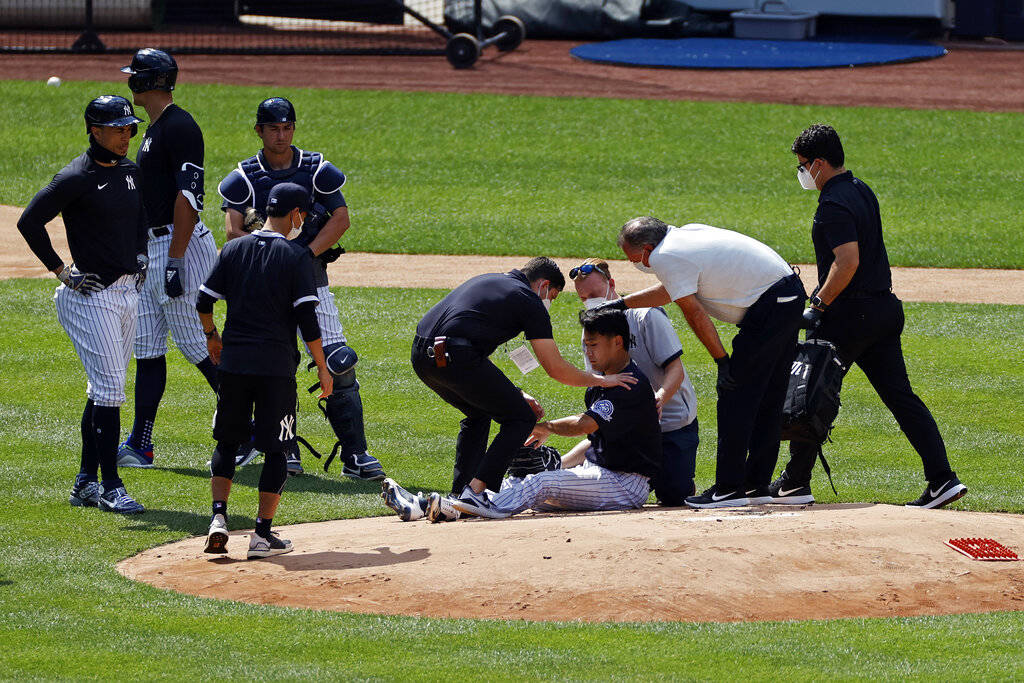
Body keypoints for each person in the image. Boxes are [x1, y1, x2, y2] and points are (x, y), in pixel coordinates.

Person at [774, 124, 966, 509]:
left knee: (810, 390)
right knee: (901, 398)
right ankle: (942, 478)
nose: (802, 172)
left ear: (821, 163)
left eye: (804, 165)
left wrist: (818, 305)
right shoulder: (861, 189)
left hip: (849, 315)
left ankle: (795, 482)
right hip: (883, 309)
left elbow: (847, 262)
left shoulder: (832, 203)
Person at [383, 257, 637, 520]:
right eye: (552, 296)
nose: (549, 302)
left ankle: (458, 499)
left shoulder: (488, 280)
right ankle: (476, 492)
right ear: (544, 285)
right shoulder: (528, 299)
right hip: (457, 355)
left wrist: (515, 392)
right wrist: (601, 380)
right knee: (521, 418)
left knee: (479, 414)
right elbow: (555, 368)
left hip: (422, 358)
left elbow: (468, 340)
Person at [217, 97, 384, 480]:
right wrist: (275, 256)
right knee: (279, 365)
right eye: (273, 127)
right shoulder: (244, 177)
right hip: (263, 288)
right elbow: (232, 231)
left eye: (287, 127)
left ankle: (356, 455)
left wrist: (302, 254)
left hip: (311, 277)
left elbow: (340, 218)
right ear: (259, 130)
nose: (281, 134)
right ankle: (283, 447)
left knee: (339, 361)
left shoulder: (315, 169)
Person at [609, 216, 806, 509]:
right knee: (769, 398)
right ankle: (756, 484)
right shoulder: (681, 237)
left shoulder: (665, 256)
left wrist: (722, 360)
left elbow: (694, 313)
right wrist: (620, 305)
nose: (636, 264)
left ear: (647, 248)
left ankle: (728, 488)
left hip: (769, 308)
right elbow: (673, 290)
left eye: (634, 258)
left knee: (734, 397)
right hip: (789, 295)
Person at [17, 95, 148, 514]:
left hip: (128, 293)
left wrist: (142, 254)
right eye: (117, 129)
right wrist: (62, 270)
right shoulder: (75, 176)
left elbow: (140, 217)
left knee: (101, 391)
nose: (125, 135)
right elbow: (29, 222)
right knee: (110, 391)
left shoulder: (130, 172)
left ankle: (85, 483)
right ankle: (111, 485)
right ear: (94, 130)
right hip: (90, 297)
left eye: (129, 128)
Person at [198, 183, 333, 559]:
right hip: (275, 369)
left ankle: (219, 519)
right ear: (294, 214)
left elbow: (203, 300)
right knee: (277, 450)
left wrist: (212, 336)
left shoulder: (235, 248)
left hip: (235, 365)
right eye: (302, 215)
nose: (303, 221)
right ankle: (261, 536)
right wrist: (323, 369)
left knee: (227, 442)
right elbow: (308, 320)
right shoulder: (295, 256)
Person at [116, 48, 222, 468]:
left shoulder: (180, 126)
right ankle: (141, 443)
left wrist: (176, 259)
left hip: (179, 245)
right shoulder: (155, 128)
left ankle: (253, 429)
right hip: (155, 248)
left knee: (198, 344)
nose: (129, 81)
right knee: (146, 348)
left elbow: (188, 197)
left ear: (147, 82)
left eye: (134, 76)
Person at [568, 258, 698, 505]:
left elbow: (676, 370)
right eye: (584, 298)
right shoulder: (592, 333)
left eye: (595, 294)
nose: (591, 302)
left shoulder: (645, 316)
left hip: (671, 421)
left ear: (612, 285)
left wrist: (658, 399)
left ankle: (679, 482)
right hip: (629, 425)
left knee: (674, 494)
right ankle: (560, 467)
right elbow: (598, 388)